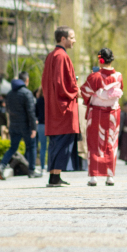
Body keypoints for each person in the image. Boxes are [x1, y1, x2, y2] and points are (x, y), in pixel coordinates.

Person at [43, 26, 80, 187]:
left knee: (56, 142)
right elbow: (61, 84)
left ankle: (54, 176)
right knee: (63, 141)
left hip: (53, 105)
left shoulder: (51, 56)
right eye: (72, 37)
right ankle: (55, 177)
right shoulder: (61, 56)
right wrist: (75, 91)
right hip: (63, 106)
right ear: (63, 39)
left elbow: (47, 83)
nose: (74, 40)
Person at [81, 48, 123, 186]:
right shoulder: (118, 76)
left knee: (94, 143)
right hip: (113, 113)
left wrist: (94, 97)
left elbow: (84, 92)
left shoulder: (95, 76)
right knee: (111, 142)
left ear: (100, 59)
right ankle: (110, 176)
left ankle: (94, 176)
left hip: (96, 113)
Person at [0, 72, 42, 179]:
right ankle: (31, 171)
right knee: (31, 147)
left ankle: (2, 166)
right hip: (26, 126)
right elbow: (31, 112)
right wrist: (33, 128)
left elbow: (8, 109)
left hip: (13, 125)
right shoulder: (27, 93)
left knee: (13, 148)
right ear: (26, 80)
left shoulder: (10, 93)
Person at [35, 88, 46, 169]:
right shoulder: (49, 100)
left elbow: (35, 113)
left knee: (42, 146)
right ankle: (51, 165)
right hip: (49, 124)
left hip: (41, 125)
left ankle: (42, 166)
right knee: (52, 146)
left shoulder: (38, 101)